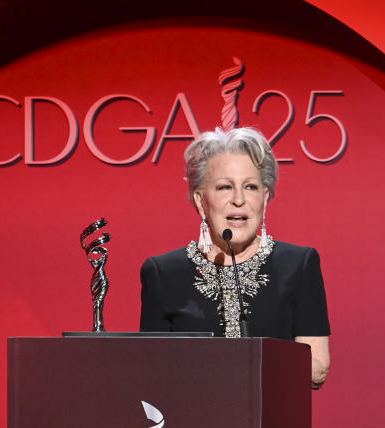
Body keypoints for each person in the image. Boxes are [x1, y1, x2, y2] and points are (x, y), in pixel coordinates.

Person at [140, 126, 330, 389]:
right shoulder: (163, 273)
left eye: (250, 187)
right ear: (200, 200)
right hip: (192, 425)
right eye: (225, 187)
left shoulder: (298, 265)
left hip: (272, 424)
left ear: (264, 199)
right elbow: (149, 372)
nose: (239, 200)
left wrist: (247, 363)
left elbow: (317, 368)